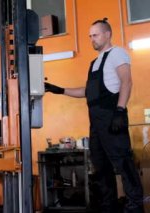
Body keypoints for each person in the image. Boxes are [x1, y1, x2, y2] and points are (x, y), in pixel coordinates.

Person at [45, 18, 144, 213]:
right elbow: (88, 92)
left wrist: (120, 110)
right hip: (96, 123)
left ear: (107, 34)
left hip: (112, 117)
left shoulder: (117, 53)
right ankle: (109, 207)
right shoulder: (94, 62)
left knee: (123, 163)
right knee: (101, 167)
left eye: (95, 35)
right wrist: (60, 90)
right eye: (90, 36)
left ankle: (135, 206)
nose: (92, 39)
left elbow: (127, 82)